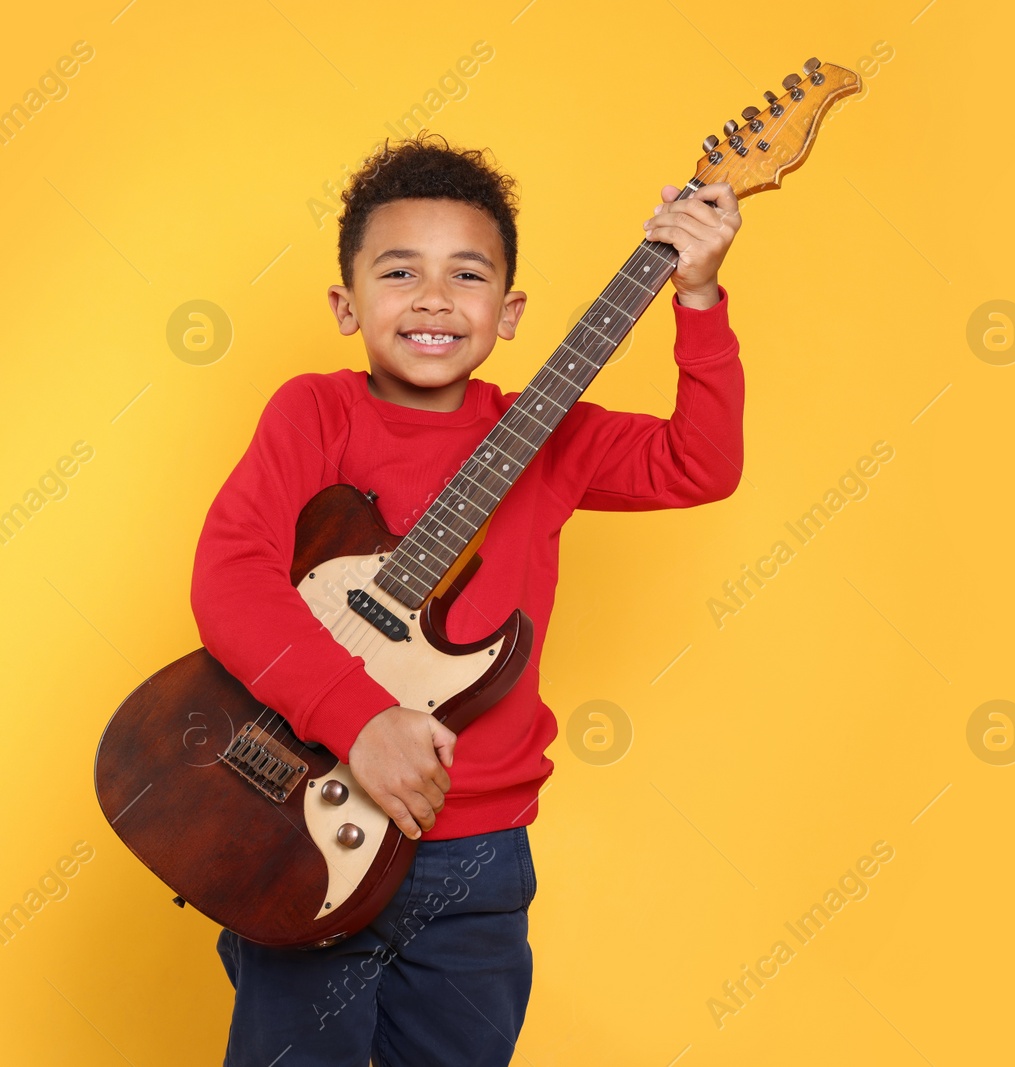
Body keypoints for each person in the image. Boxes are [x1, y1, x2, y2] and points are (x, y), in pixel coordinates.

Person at [191, 131, 744, 1065]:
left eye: (469, 276)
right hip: (294, 818)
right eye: (400, 272)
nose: (436, 299)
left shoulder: (551, 435)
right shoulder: (313, 414)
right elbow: (230, 576)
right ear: (345, 302)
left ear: (512, 309)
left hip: (474, 853)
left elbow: (701, 463)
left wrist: (697, 296)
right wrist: (360, 718)